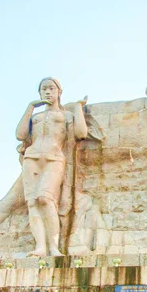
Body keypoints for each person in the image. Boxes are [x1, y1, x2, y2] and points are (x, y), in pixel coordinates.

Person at [15, 78, 88, 256]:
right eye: (44, 89)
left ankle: (54, 246)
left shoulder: (66, 116)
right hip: (32, 158)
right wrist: (31, 107)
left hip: (54, 157)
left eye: (51, 88)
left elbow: (81, 133)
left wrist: (78, 108)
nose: (48, 92)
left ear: (59, 92)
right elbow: (20, 134)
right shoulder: (36, 117)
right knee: (32, 202)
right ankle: (40, 246)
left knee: (45, 199)